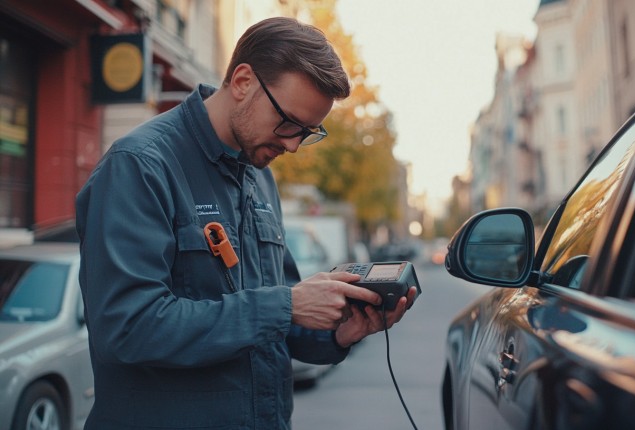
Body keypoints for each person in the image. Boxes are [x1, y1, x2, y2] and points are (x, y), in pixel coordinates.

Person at [76, 17, 417, 429]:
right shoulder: (140, 167)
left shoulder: (259, 176)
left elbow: (277, 323)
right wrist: (287, 305)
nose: (293, 145)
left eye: (308, 132)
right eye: (288, 122)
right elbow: (128, 329)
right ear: (242, 82)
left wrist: (340, 333)